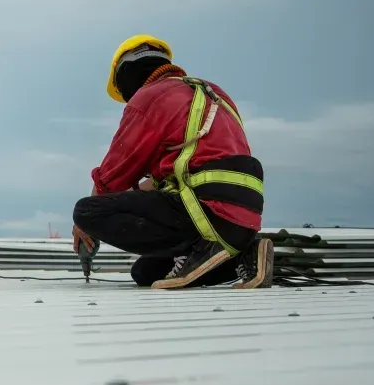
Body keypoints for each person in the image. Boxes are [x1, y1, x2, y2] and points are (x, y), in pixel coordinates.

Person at [72, 34, 273, 289]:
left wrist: (82, 224)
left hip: (205, 210)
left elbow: (112, 177)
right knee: (145, 273)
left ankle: (204, 247)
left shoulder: (151, 97)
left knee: (87, 210)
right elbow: (183, 174)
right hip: (240, 217)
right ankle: (244, 256)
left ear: (126, 75)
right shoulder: (212, 95)